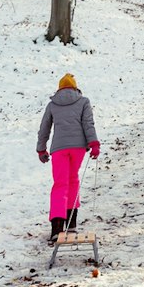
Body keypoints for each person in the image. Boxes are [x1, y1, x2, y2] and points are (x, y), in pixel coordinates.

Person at [36, 73, 100, 244]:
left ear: (59, 89)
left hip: (59, 149)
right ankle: (71, 223)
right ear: (75, 88)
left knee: (60, 184)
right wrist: (93, 143)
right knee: (73, 181)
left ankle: (57, 228)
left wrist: (41, 149)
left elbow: (44, 128)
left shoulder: (52, 105)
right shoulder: (83, 102)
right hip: (78, 148)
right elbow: (88, 123)